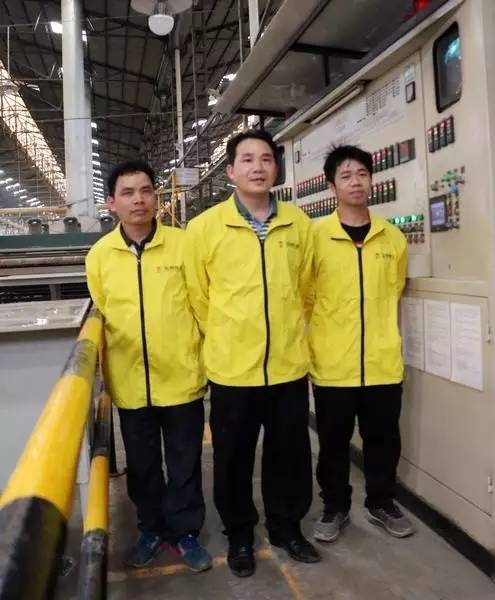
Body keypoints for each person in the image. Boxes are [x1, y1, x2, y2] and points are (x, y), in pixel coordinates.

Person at [184, 130, 320, 578]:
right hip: (232, 371)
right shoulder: (205, 228)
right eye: (247, 159)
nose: (257, 167)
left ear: (276, 168)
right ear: (230, 171)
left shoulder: (299, 224)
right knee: (232, 460)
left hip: (287, 367)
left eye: (265, 159)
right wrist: (227, 335)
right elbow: (199, 296)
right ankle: (239, 534)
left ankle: (287, 528)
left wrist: (288, 332)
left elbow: (306, 288)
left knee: (290, 456)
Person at [85, 160, 212, 572]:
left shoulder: (184, 245)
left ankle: (186, 532)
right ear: (111, 203)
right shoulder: (100, 256)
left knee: (184, 462)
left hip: (181, 377)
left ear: (156, 197)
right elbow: (102, 313)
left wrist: (207, 361)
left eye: (145, 191)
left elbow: (203, 306)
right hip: (131, 382)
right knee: (142, 466)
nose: (138, 200)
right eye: (127, 193)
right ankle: (151, 529)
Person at [309, 145, 414, 543]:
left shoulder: (393, 238)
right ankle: (335, 506)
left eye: (362, 174)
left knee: (384, 441)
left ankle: (381, 502)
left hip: (382, 362)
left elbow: (395, 290)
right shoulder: (315, 237)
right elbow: (304, 297)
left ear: (372, 180)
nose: (356, 182)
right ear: (331, 185)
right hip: (333, 365)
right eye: (346, 176)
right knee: (333, 444)